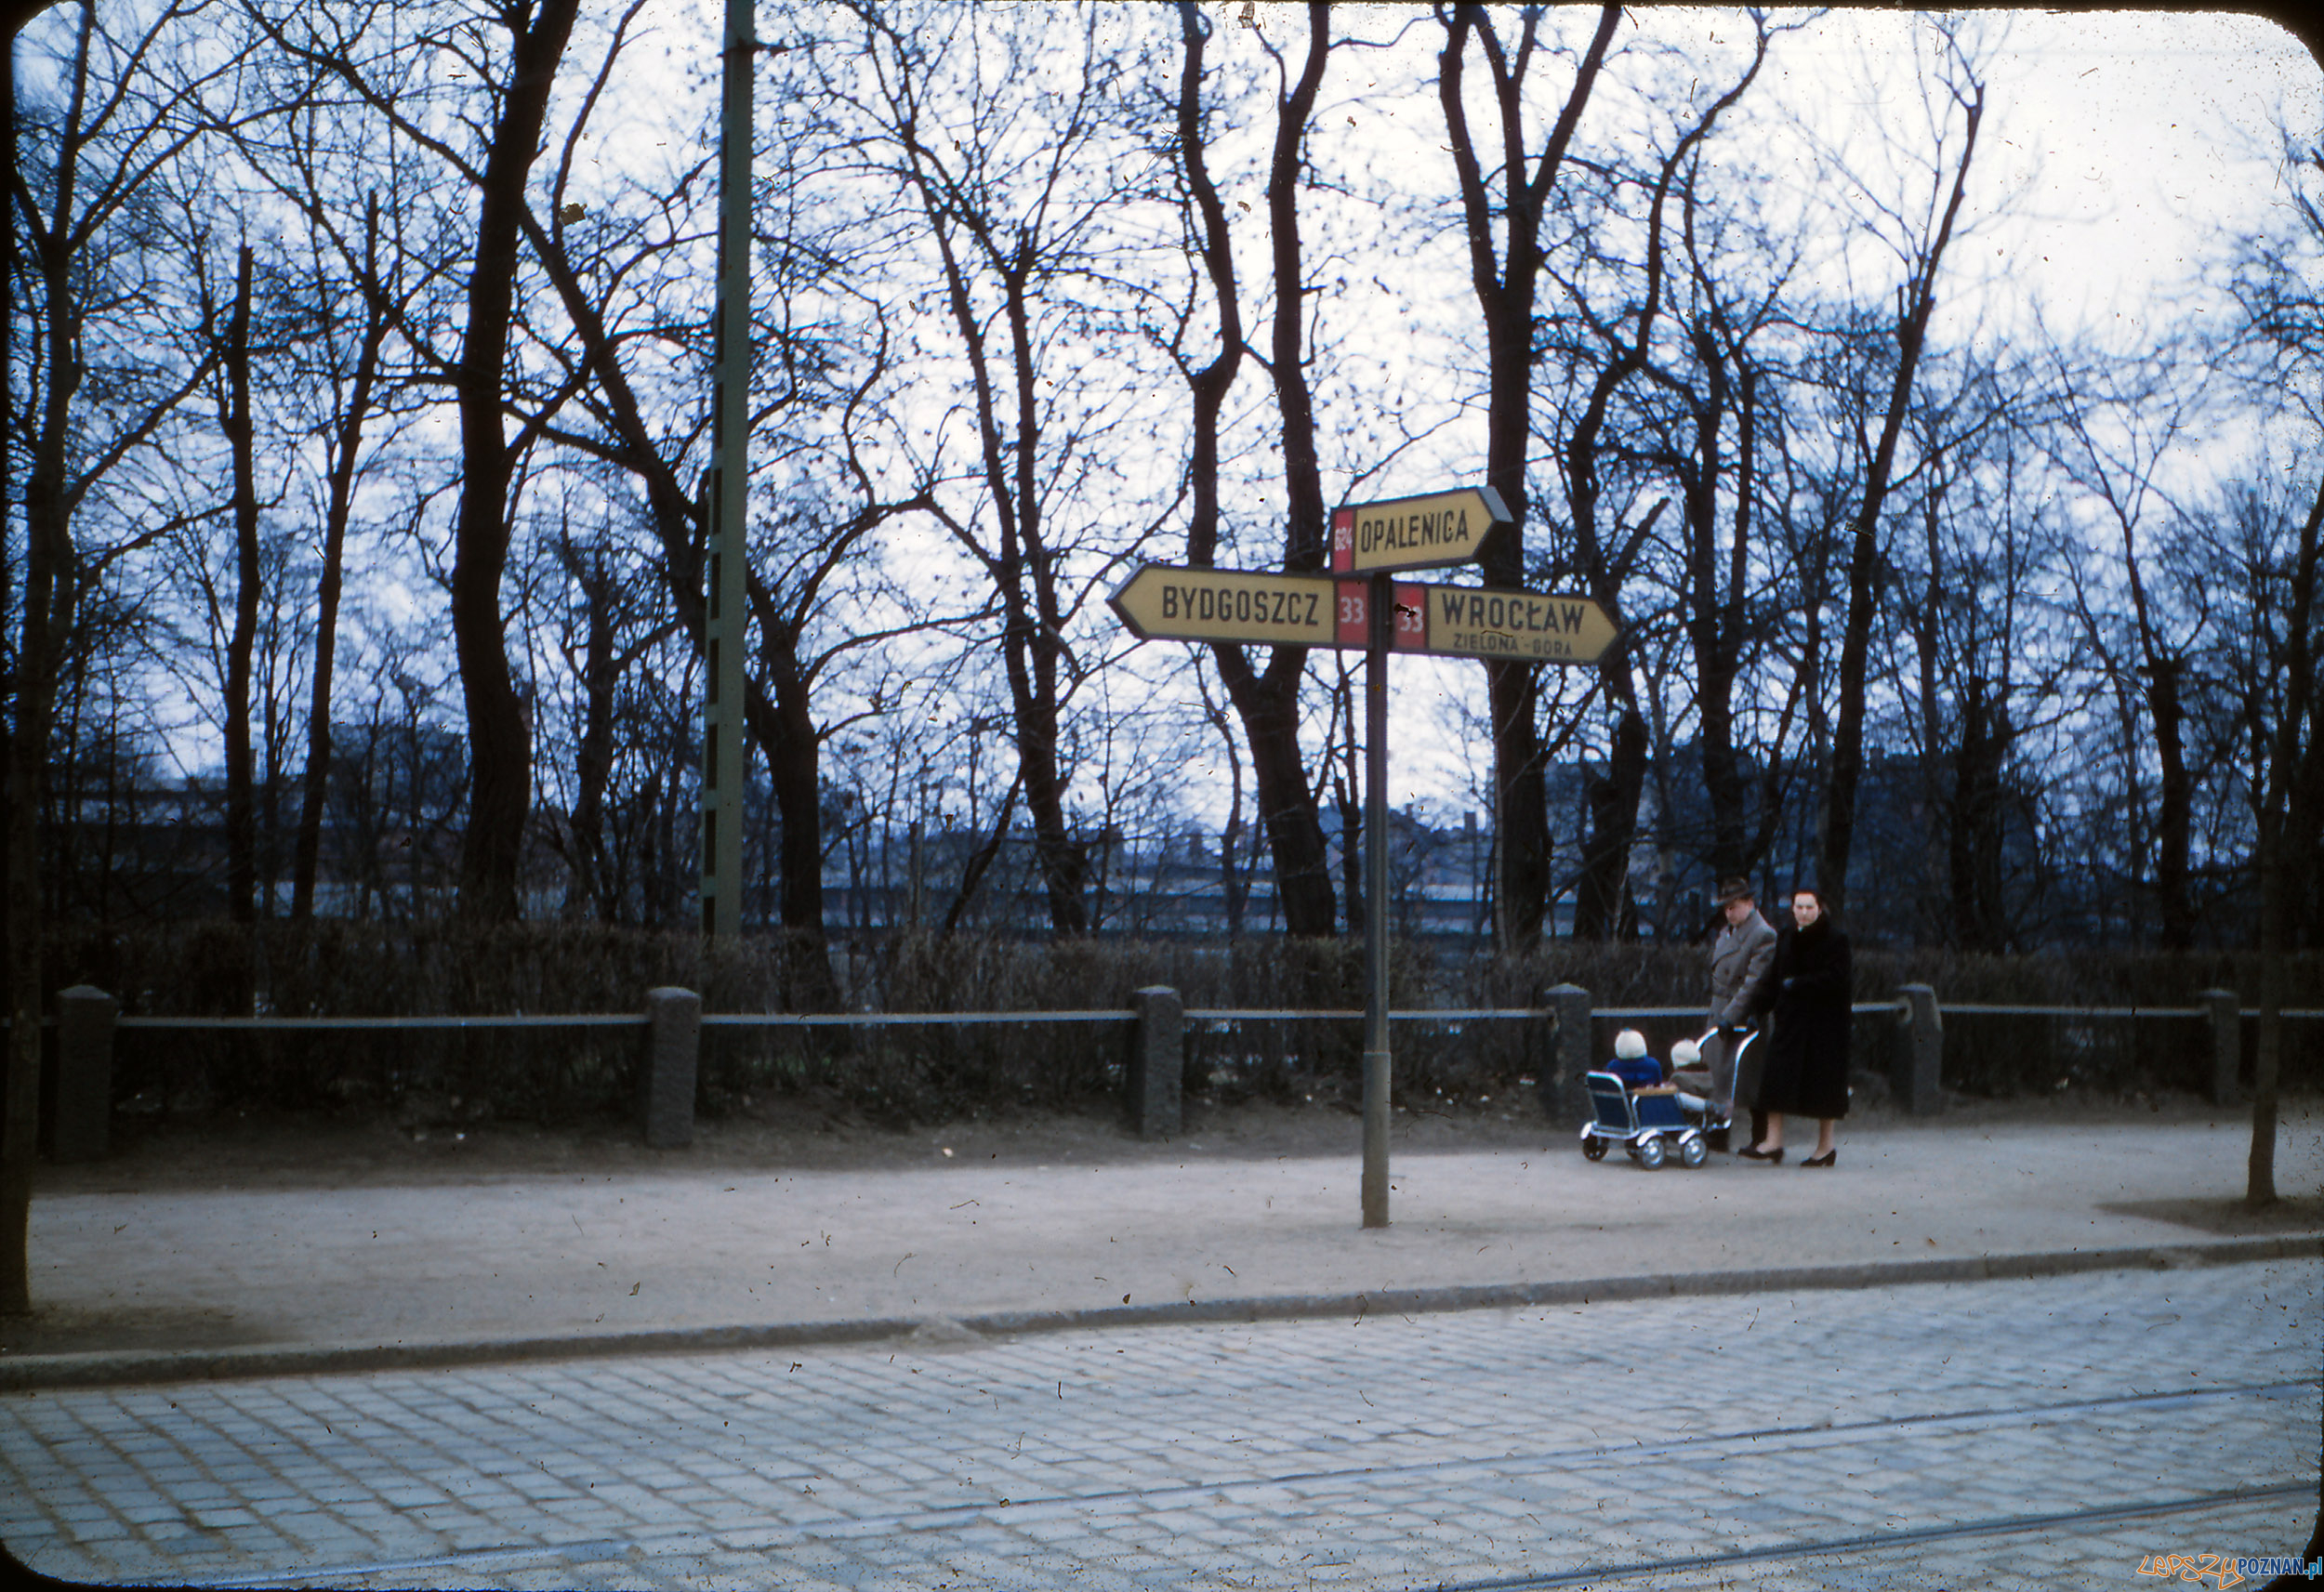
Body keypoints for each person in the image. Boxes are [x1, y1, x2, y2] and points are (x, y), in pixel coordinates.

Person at [1739, 886, 1851, 1167]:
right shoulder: (1787, 936)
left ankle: (1826, 1147)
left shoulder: (1836, 939)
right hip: (1791, 1022)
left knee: (1825, 1086)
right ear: (1792, 909)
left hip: (1825, 1025)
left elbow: (1839, 979)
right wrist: (1758, 1007)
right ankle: (1773, 1141)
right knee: (1775, 1079)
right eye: (1798, 907)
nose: (1803, 912)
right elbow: (1774, 976)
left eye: (1809, 907)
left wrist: (1801, 984)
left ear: (1820, 908)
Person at [1676, 876, 1776, 1152]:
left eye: (1734, 906)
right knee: (1717, 1076)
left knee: (1749, 1078)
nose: (1729, 912)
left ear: (1749, 903)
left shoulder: (1762, 935)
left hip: (1746, 1016)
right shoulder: (1728, 933)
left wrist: (1731, 1015)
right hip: (1721, 1010)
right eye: (1726, 908)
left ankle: (1760, 1138)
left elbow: (1753, 983)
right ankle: (1718, 1133)